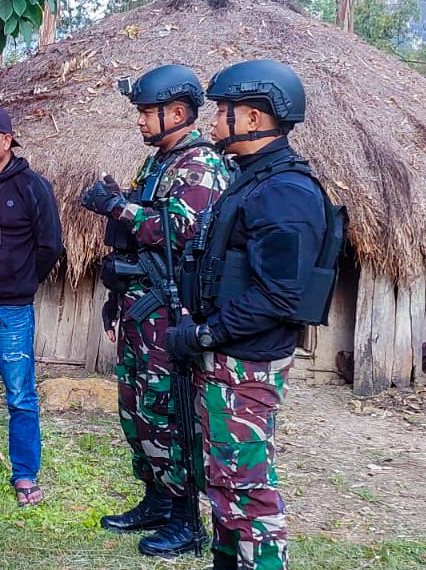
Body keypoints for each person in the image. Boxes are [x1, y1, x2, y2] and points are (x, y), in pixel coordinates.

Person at [167, 59, 330, 570]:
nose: (214, 122)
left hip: (246, 364)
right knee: (225, 482)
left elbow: (279, 295)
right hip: (226, 360)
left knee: (247, 491)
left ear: (255, 119)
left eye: (223, 111)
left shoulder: (285, 192)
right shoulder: (251, 180)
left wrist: (204, 333)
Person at [80, 64, 229, 557]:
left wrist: (115, 207)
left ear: (180, 113)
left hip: (170, 313)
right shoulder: (157, 164)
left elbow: (180, 230)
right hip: (139, 309)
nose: (141, 122)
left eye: (149, 113)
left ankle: (186, 518)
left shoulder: (200, 165)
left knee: (170, 411)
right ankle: (157, 499)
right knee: (137, 410)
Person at [0, 104, 63, 506]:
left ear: (6, 141)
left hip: (13, 312)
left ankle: (24, 475)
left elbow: (50, 245)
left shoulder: (33, 187)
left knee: (20, 395)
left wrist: (19, 282)